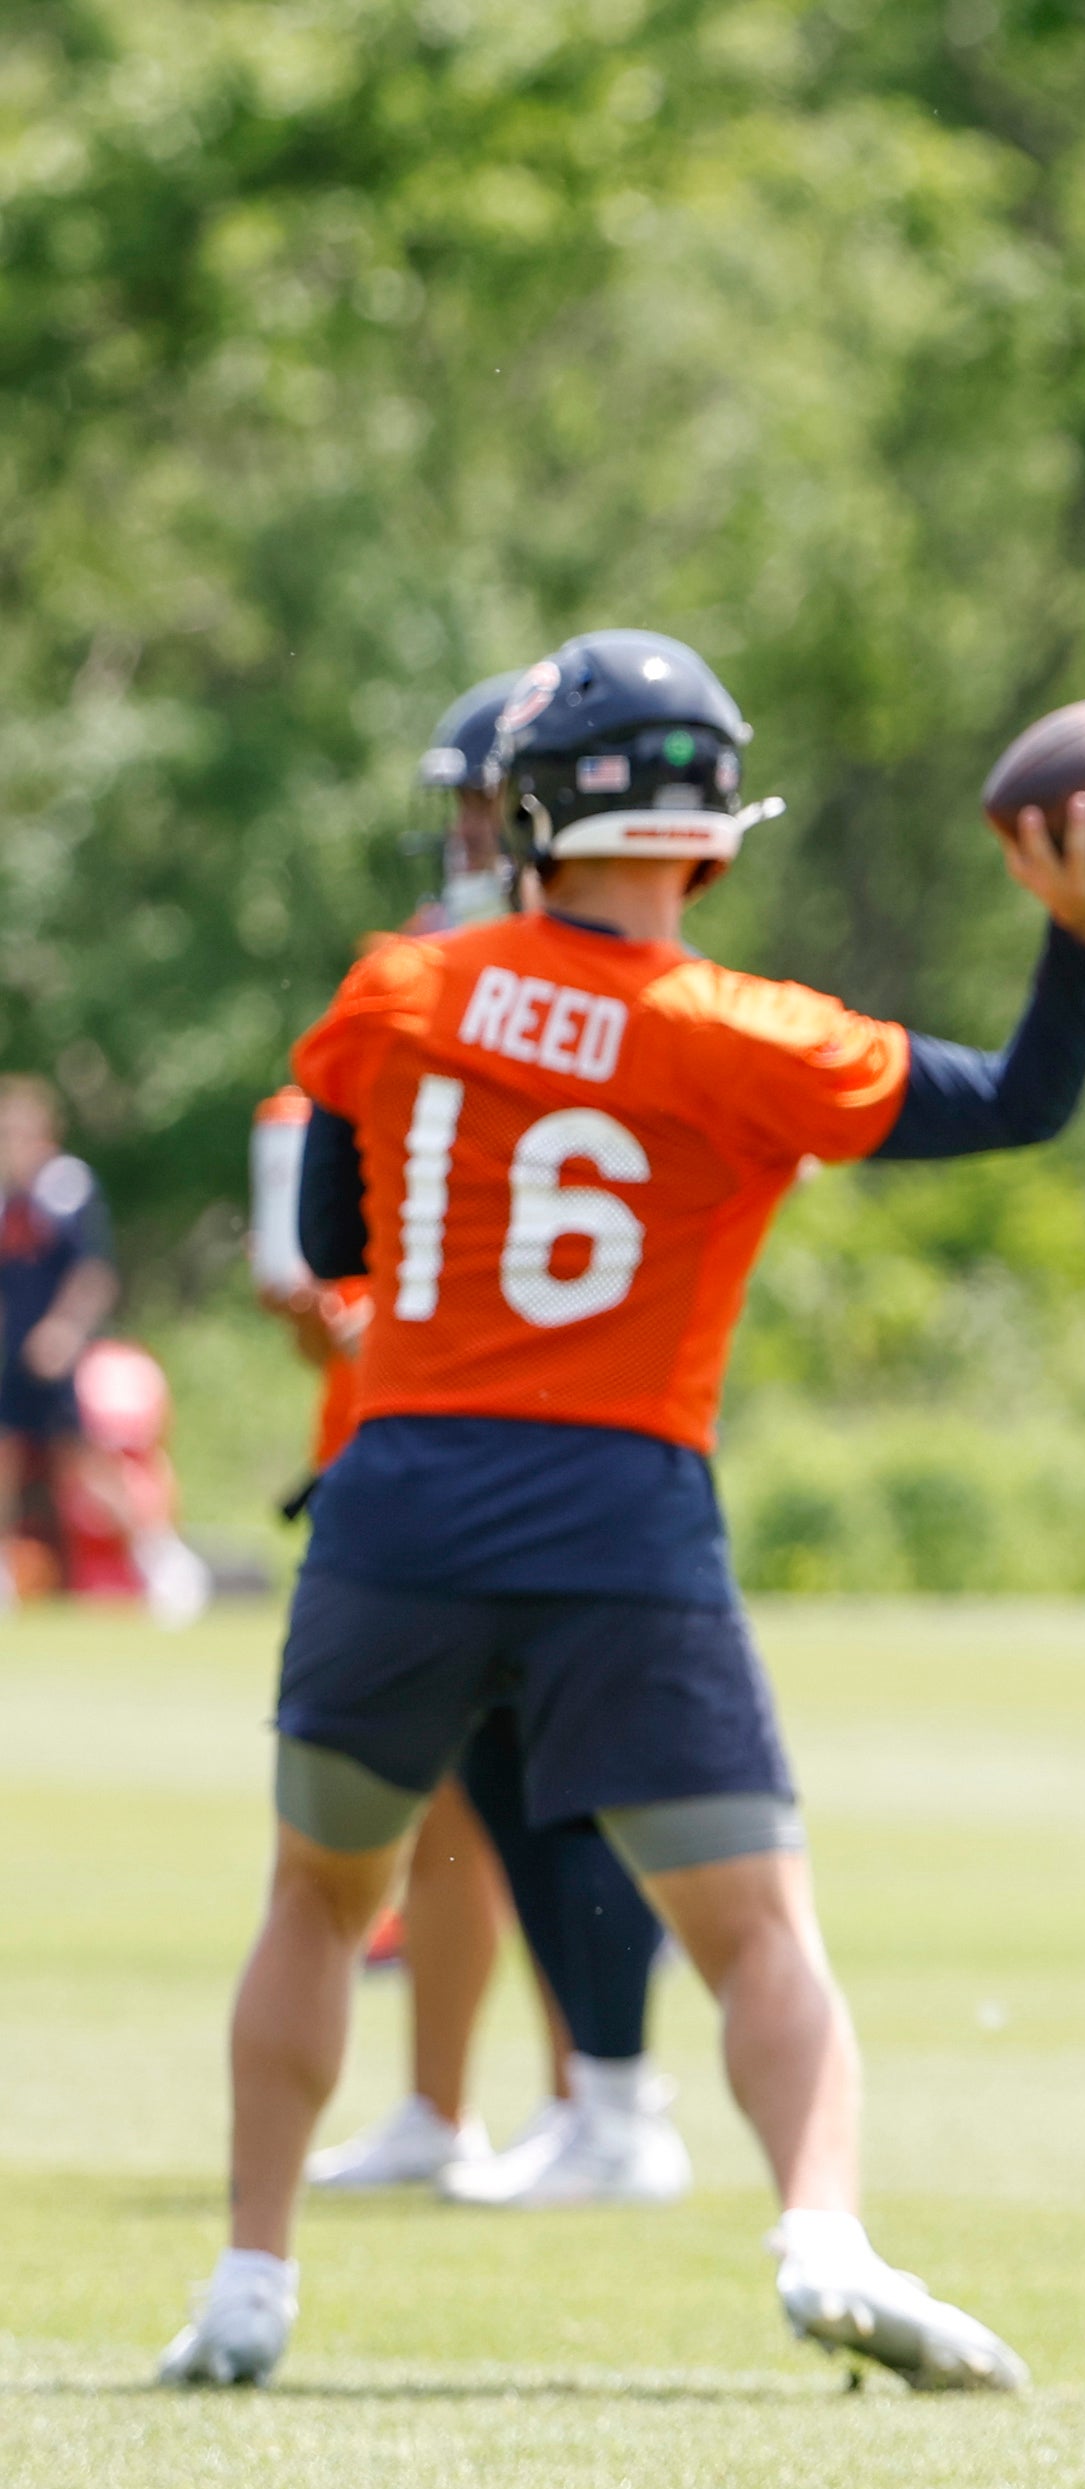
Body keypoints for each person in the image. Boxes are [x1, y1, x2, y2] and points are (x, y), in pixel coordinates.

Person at [156, 626, 1085, 2393]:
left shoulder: (403, 988)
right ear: (713, 830)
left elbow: (334, 1248)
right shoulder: (755, 1034)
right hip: (623, 1503)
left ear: (531, 817)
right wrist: (1078, 935)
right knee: (761, 1932)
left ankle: (250, 2283)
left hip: (404, 1496)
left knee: (318, 1898)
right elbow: (1024, 1100)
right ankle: (822, 2233)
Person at [273, 673, 685, 2210]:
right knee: (452, 1808)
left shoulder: (546, 987)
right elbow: (339, 1235)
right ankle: (456, 2106)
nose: (464, 836)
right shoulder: (416, 980)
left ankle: (606, 2097)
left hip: (552, 1453)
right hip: (409, 1458)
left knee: (587, 1786)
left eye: (481, 806)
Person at [0, 1074, 209, 1626]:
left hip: (57, 1355)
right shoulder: (7, 1201)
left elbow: (93, 1271)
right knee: (5, 1461)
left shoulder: (65, 1187)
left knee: (85, 1466)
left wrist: (65, 1330)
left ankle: (160, 1557)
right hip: (10, 1356)